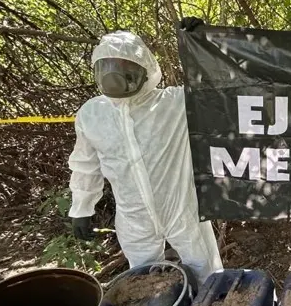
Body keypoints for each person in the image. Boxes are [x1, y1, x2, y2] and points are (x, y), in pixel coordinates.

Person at [68, 30, 222, 284]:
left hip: (182, 209)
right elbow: (86, 165)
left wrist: (201, 45)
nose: (114, 75)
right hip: (133, 216)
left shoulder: (174, 103)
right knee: (142, 281)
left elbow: (216, 89)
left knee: (206, 273)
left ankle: (211, 305)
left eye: (123, 67)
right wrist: (81, 207)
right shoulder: (92, 114)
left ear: (146, 69)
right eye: (107, 66)